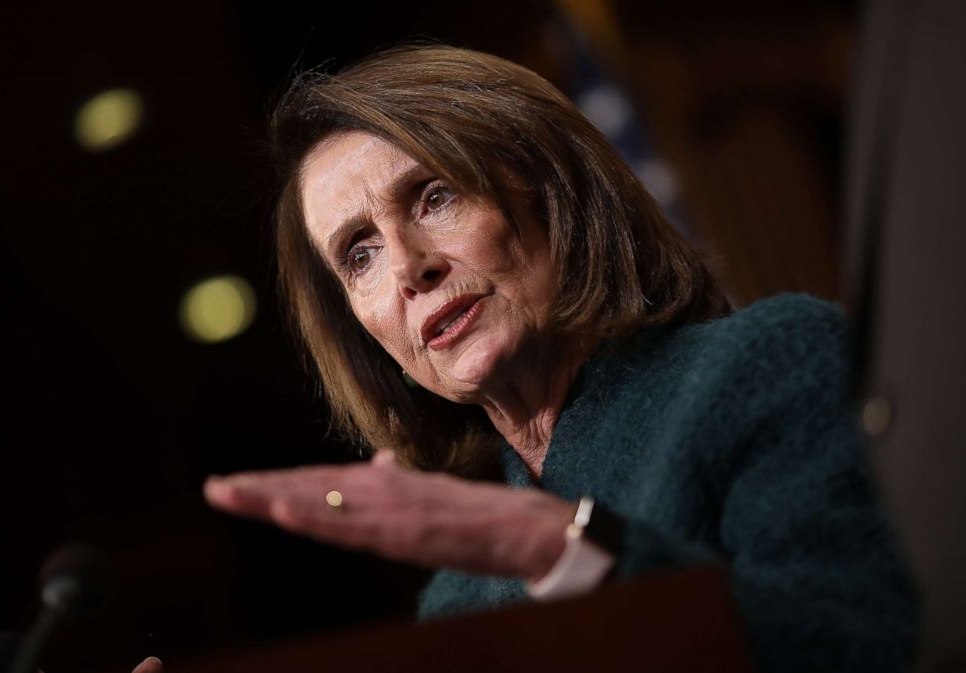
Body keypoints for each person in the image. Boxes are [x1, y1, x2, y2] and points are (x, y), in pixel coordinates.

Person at [203, 45, 917, 672]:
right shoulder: (458, 596)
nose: (407, 269)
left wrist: (555, 545)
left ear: (553, 189)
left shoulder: (764, 364)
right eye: (359, 254)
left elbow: (865, 641)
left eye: (434, 195)